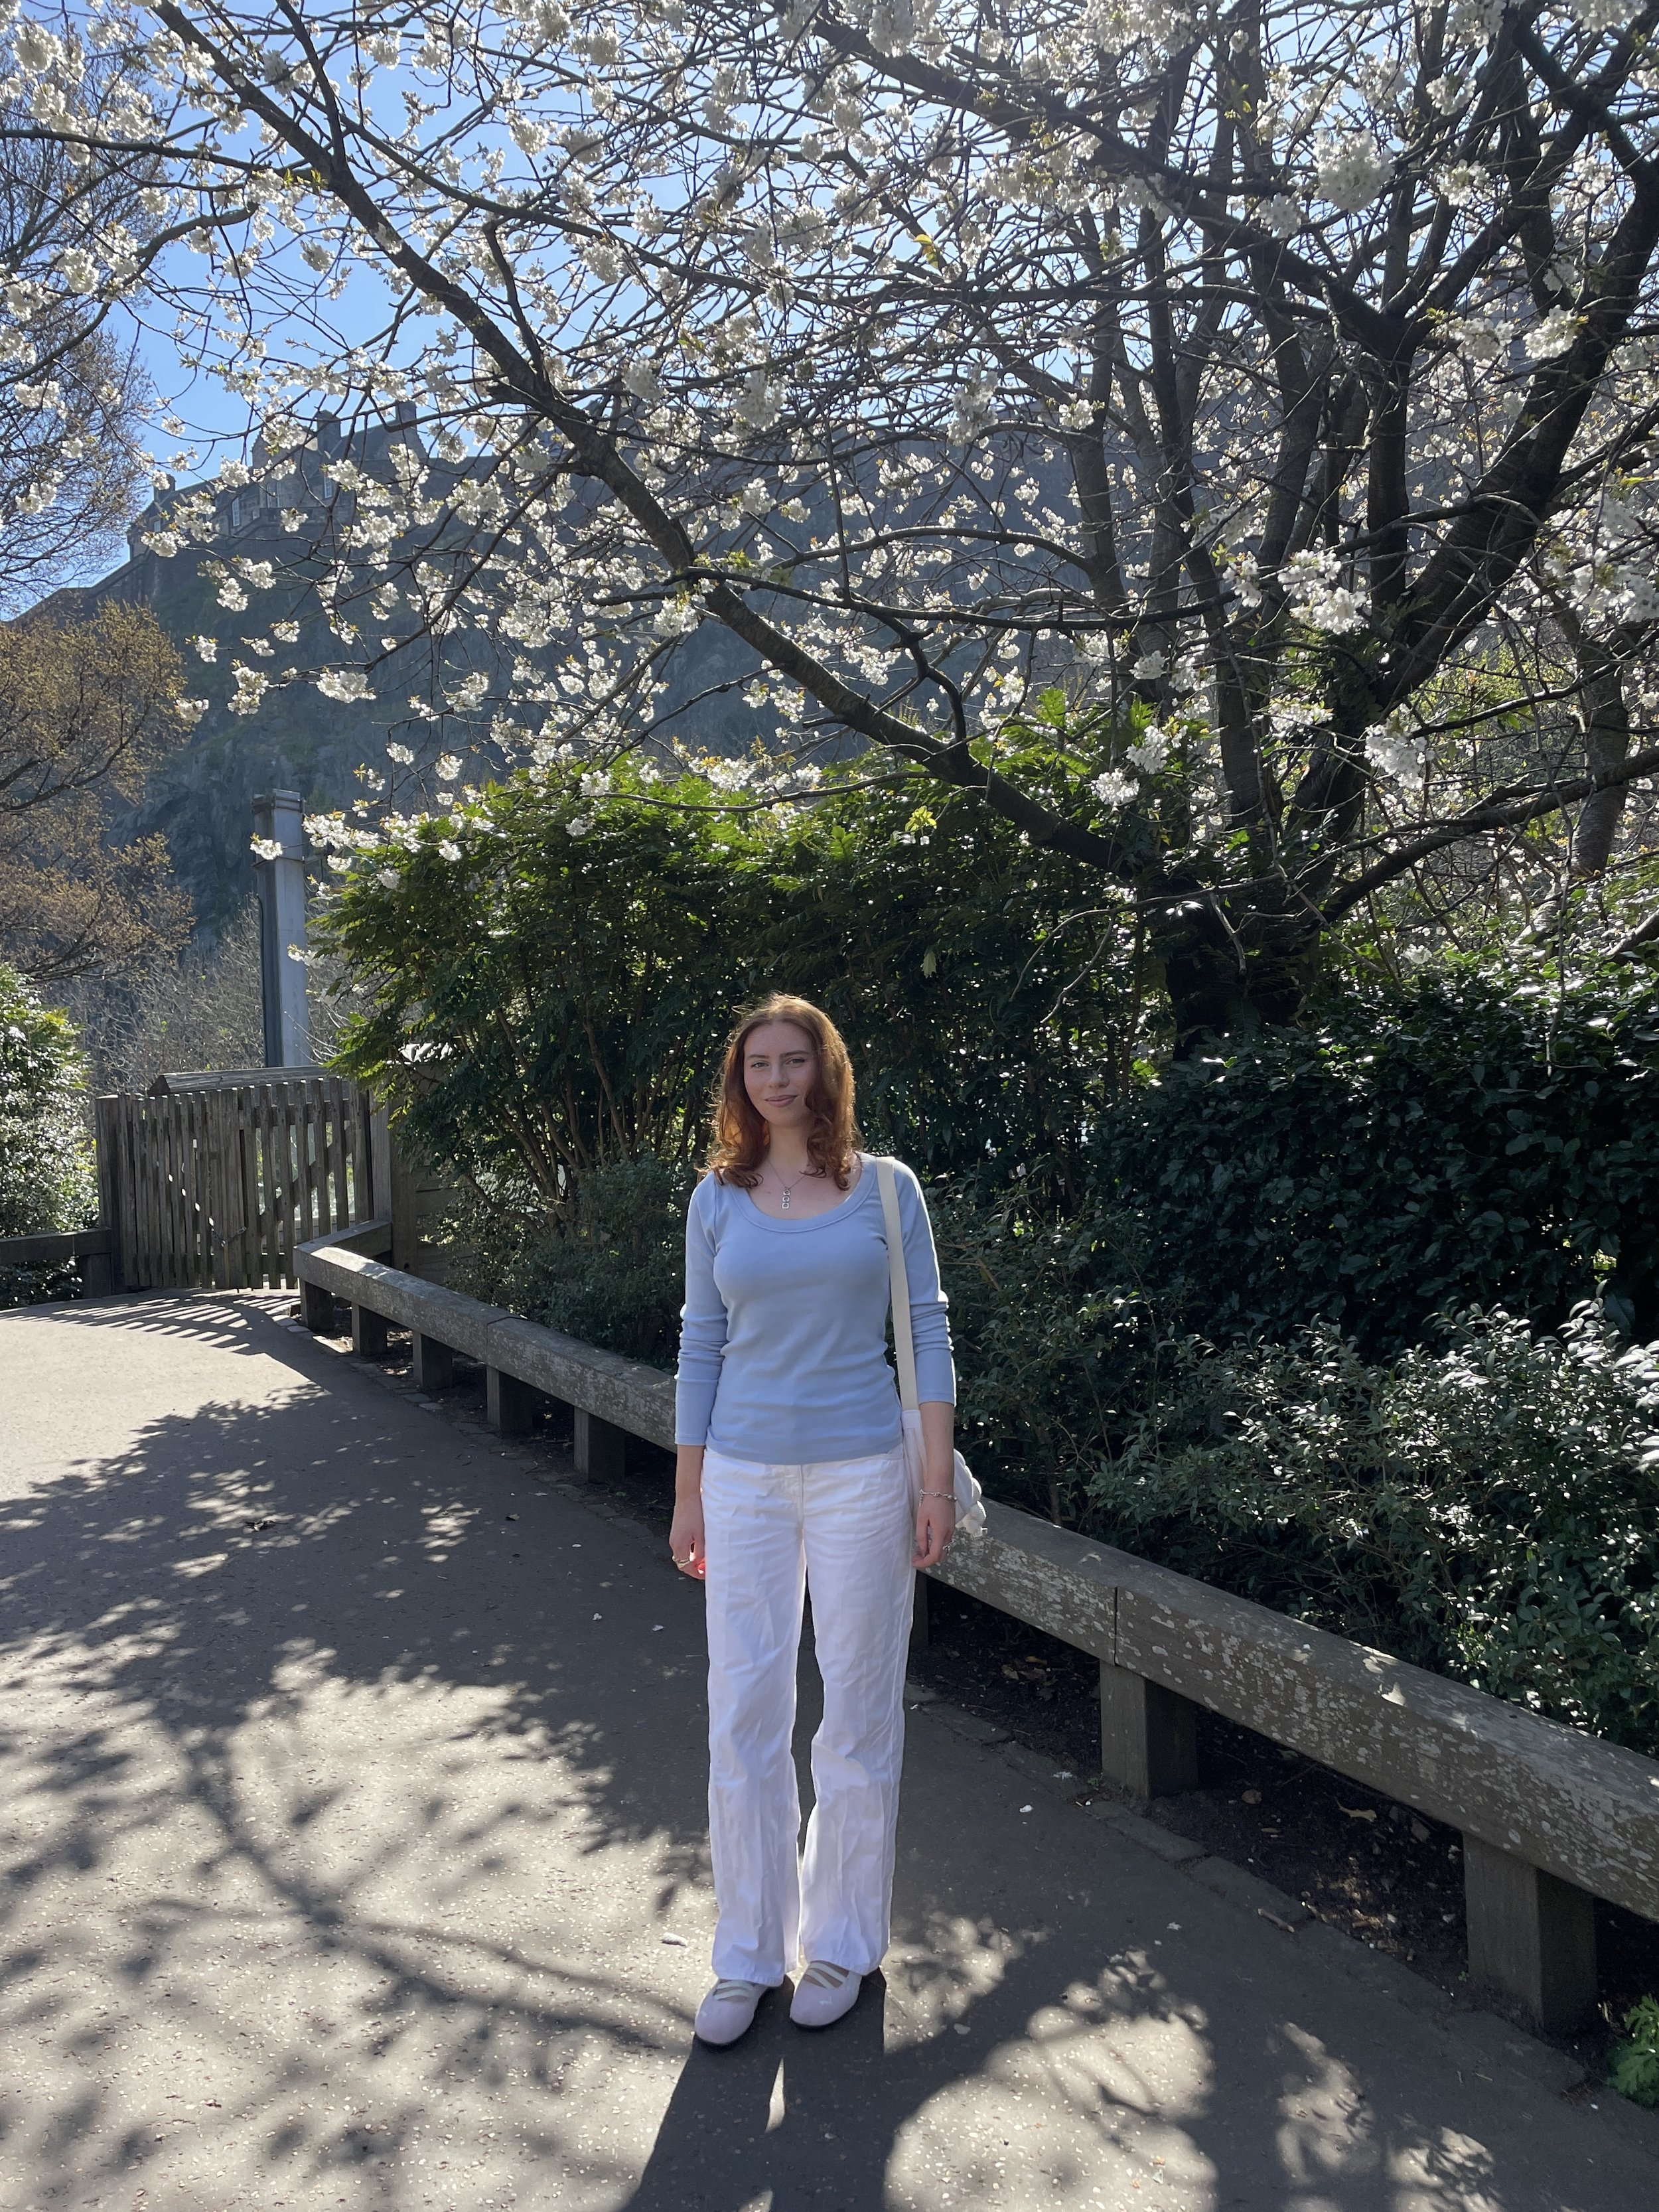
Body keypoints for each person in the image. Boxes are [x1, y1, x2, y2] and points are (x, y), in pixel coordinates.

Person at [670, 993, 958, 2045]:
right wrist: (687, 1488)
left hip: (861, 1479)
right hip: (742, 1478)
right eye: (759, 1063)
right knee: (743, 1712)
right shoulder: (718, 1197)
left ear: (825, 1068)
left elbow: (926, 1333)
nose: (778, 1078)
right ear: (740, 1080)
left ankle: (839, 1943)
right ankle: (745, 1956)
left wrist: (933, 1483)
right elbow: (700, 1345)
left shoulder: (886, 1189)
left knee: (857, 1715)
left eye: (795, 1060)